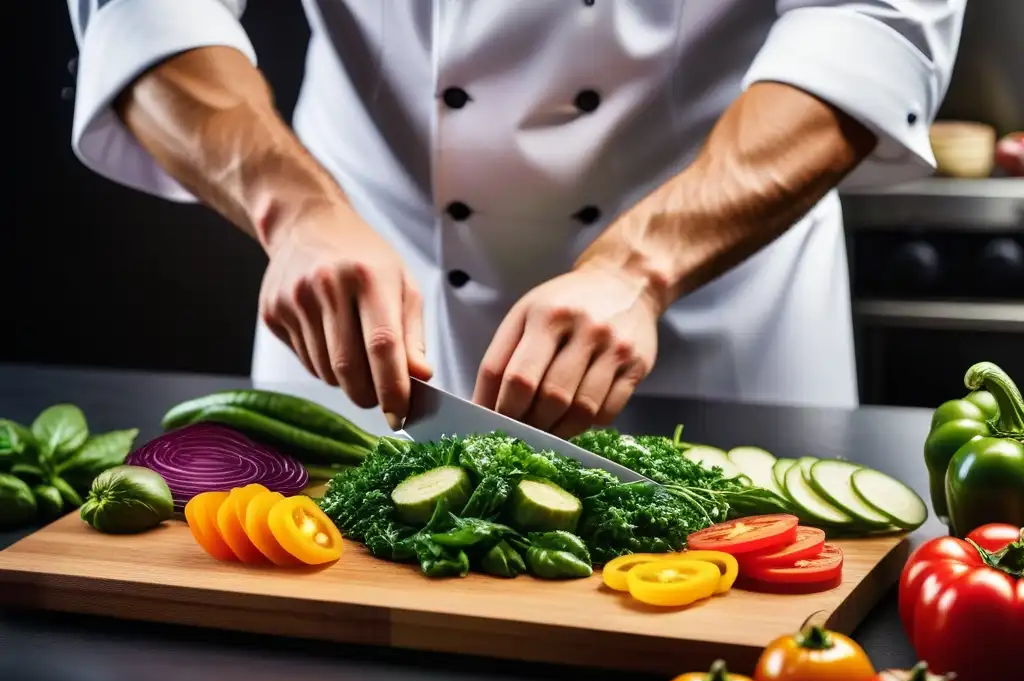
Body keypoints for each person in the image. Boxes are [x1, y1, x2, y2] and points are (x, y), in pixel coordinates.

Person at [65, 1, 965, 437]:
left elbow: (871, 25)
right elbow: (143, 10)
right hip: (366, 292)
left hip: (715, 297)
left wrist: (640, 267)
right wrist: (295, 210)